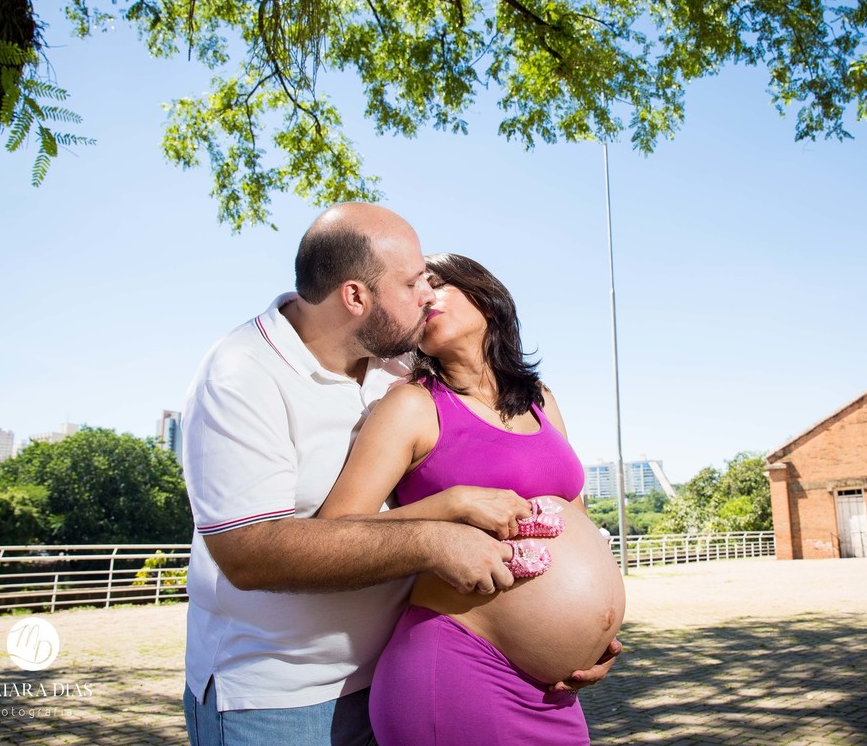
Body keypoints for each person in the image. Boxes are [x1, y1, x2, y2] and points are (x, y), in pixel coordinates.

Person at [180, 204, 616, 746]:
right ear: (356, 297)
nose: (426, 296)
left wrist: (572, 631)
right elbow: (249, 553)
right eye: (413, 283)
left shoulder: (396, 362)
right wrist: (440, 532)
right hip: (279, 697)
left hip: (386, 663)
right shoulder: (242, 375)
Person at [316, 253, 626, 746]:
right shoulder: (412, 404)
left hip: (554, 690)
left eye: (435, 283)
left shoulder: (540, 399)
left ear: (484, 295)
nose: (423, 297)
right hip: (460, 670)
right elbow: (334, 529)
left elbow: (576, 520)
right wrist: (451, 504)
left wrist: (591, 636)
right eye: (414, 290)